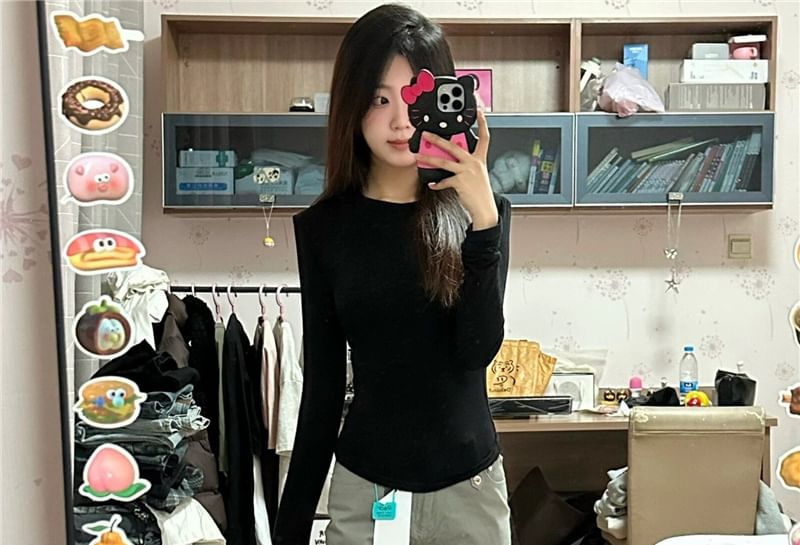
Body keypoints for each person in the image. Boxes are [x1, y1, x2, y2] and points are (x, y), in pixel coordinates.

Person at [272, 4, 512, 544]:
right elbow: (323, 390)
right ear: (352, 105)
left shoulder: (484, 214)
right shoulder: (324, 228)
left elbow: (476, 351)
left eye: (413, 97)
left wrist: (484, 223)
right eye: (380, 99)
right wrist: (289, 531)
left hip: (469, 492)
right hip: (366, 491)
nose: (401, 121)